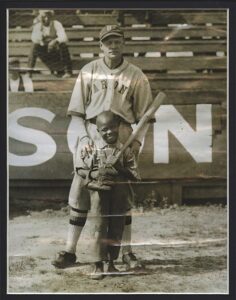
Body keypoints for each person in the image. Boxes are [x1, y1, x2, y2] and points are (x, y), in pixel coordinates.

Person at [52, 25, 153, 274]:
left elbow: (144, 119)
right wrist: (83, 139)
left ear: (123, 44)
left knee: (122, 196)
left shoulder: (137, 74)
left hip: (123, 137)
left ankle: (127, 253)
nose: (112, 45)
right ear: (100, 46)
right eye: (107, 41)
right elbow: (76, 113)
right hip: (92, 134)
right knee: (81, 192)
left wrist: (136, 144)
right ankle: (70, 250)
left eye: (117, 40)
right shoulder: (88, 71)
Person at [79, 111, 141, 279]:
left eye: (112, 127)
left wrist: (119, 167)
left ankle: (111, 263)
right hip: (99, 196)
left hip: (119, 196)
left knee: (116, 227)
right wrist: (94, 178)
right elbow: (84, 175)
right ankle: (97, 264)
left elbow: (136, 177)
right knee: (99, 227)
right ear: (98, 131)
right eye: (104, 129)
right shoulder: (94, 151)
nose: (109, 132)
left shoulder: (126, 152)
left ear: (119, 127)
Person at [28, 10, 72, 78]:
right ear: (40, 17)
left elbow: (64, 37)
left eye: (48, 16)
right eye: (43, 17)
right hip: (44, 52)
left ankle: (68, 72)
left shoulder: (56, 24)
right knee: (34, 46)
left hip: (54, 52)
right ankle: (29, 72)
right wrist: (40, 34)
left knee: (63, 45)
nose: (46, 19)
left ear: (51, 17)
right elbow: (34, 39)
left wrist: (55, 41)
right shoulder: (38, 26)